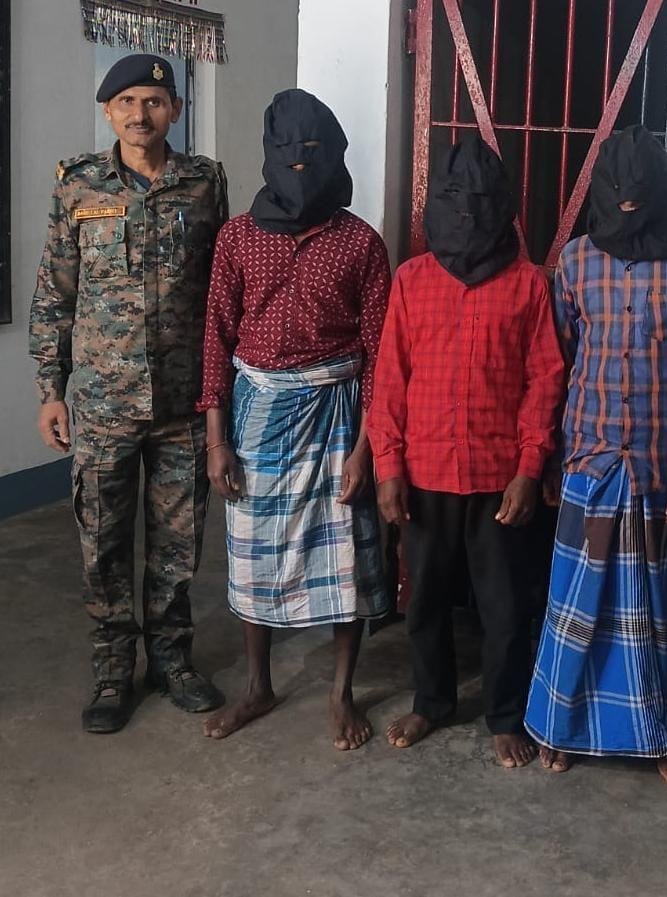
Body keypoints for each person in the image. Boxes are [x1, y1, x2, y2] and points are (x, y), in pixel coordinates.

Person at [29, 54, 229, 734]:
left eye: (153, 101)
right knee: (104, 544)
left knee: (178, 546)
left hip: (181, 404)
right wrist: (50, 389)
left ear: (175, 110)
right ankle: (113, 670)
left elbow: (218, 290)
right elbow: (54, 292)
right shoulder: (78, 184)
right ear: (108, 111)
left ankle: (172, 661)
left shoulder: (204, 183)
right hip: (103, 402)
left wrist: (219, 393)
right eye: (127, 102)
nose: (140, 115)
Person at [524, 125, 667, 785]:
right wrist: (549, 457)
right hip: (589, 462)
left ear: (661, 190)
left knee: (651, 613)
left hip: (658, 470)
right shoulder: (576, 261)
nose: (627, 202)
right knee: (575, 606)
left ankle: (654, 736)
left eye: (639, 191)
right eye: (616, 191)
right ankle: (559, 728)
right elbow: (558, 363)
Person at [195, 90, 391, 751]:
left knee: (345, 555)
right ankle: (258, 685)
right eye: (288, 153)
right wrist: (217, 440)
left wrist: (365, 450)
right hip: (259, 413)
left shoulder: (361, 243)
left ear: (334, 156)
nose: (300, 164)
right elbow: (216, 337)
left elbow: (380, 353)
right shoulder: (238, 237)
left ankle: (341, 692)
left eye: (313, 152)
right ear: (268, 156)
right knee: (255, 554)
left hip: (338, 413)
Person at [368, 135, 564, 769]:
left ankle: (505, 715)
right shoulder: (411, 280)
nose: (468, 215)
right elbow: (389, 380)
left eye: (481, 201)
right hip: (424, 471)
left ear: (502, 207)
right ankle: (432, 701)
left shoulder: (529, 285)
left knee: (505, 604)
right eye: (455, 201)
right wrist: (388, 467)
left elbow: (545, 380)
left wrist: (529, 468)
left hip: (498, 475)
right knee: (424, 598)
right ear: (436, 206)